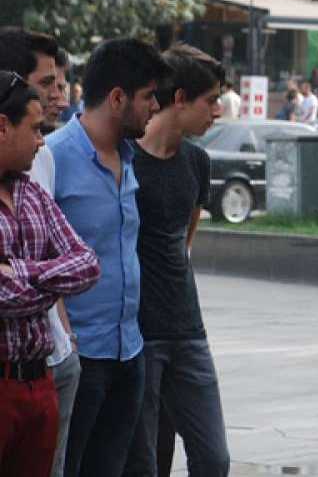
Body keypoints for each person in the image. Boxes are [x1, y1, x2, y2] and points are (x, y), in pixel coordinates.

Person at [48, 38, 170, 477]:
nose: (156, 106)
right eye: (148, 96)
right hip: (82, 357)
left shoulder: (129, 156)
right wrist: (67, 344)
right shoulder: (53, 157)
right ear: (117, 98)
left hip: (128, 350)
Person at [123, 44, 229, 477]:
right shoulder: (126, 159)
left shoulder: (197, 162)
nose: (218, 111)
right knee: (147, 462)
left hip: (189, 330)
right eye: (211, 100)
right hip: (138, 334)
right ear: (180, 98)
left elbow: (184, 244)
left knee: (213, 458)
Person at [0, 69, 100, 477]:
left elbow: (86, 263)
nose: (43, 141)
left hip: (40, 383)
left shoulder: (32, 191)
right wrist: (49, 283)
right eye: (35, 129)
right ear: (3, 126)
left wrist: (18, 273)